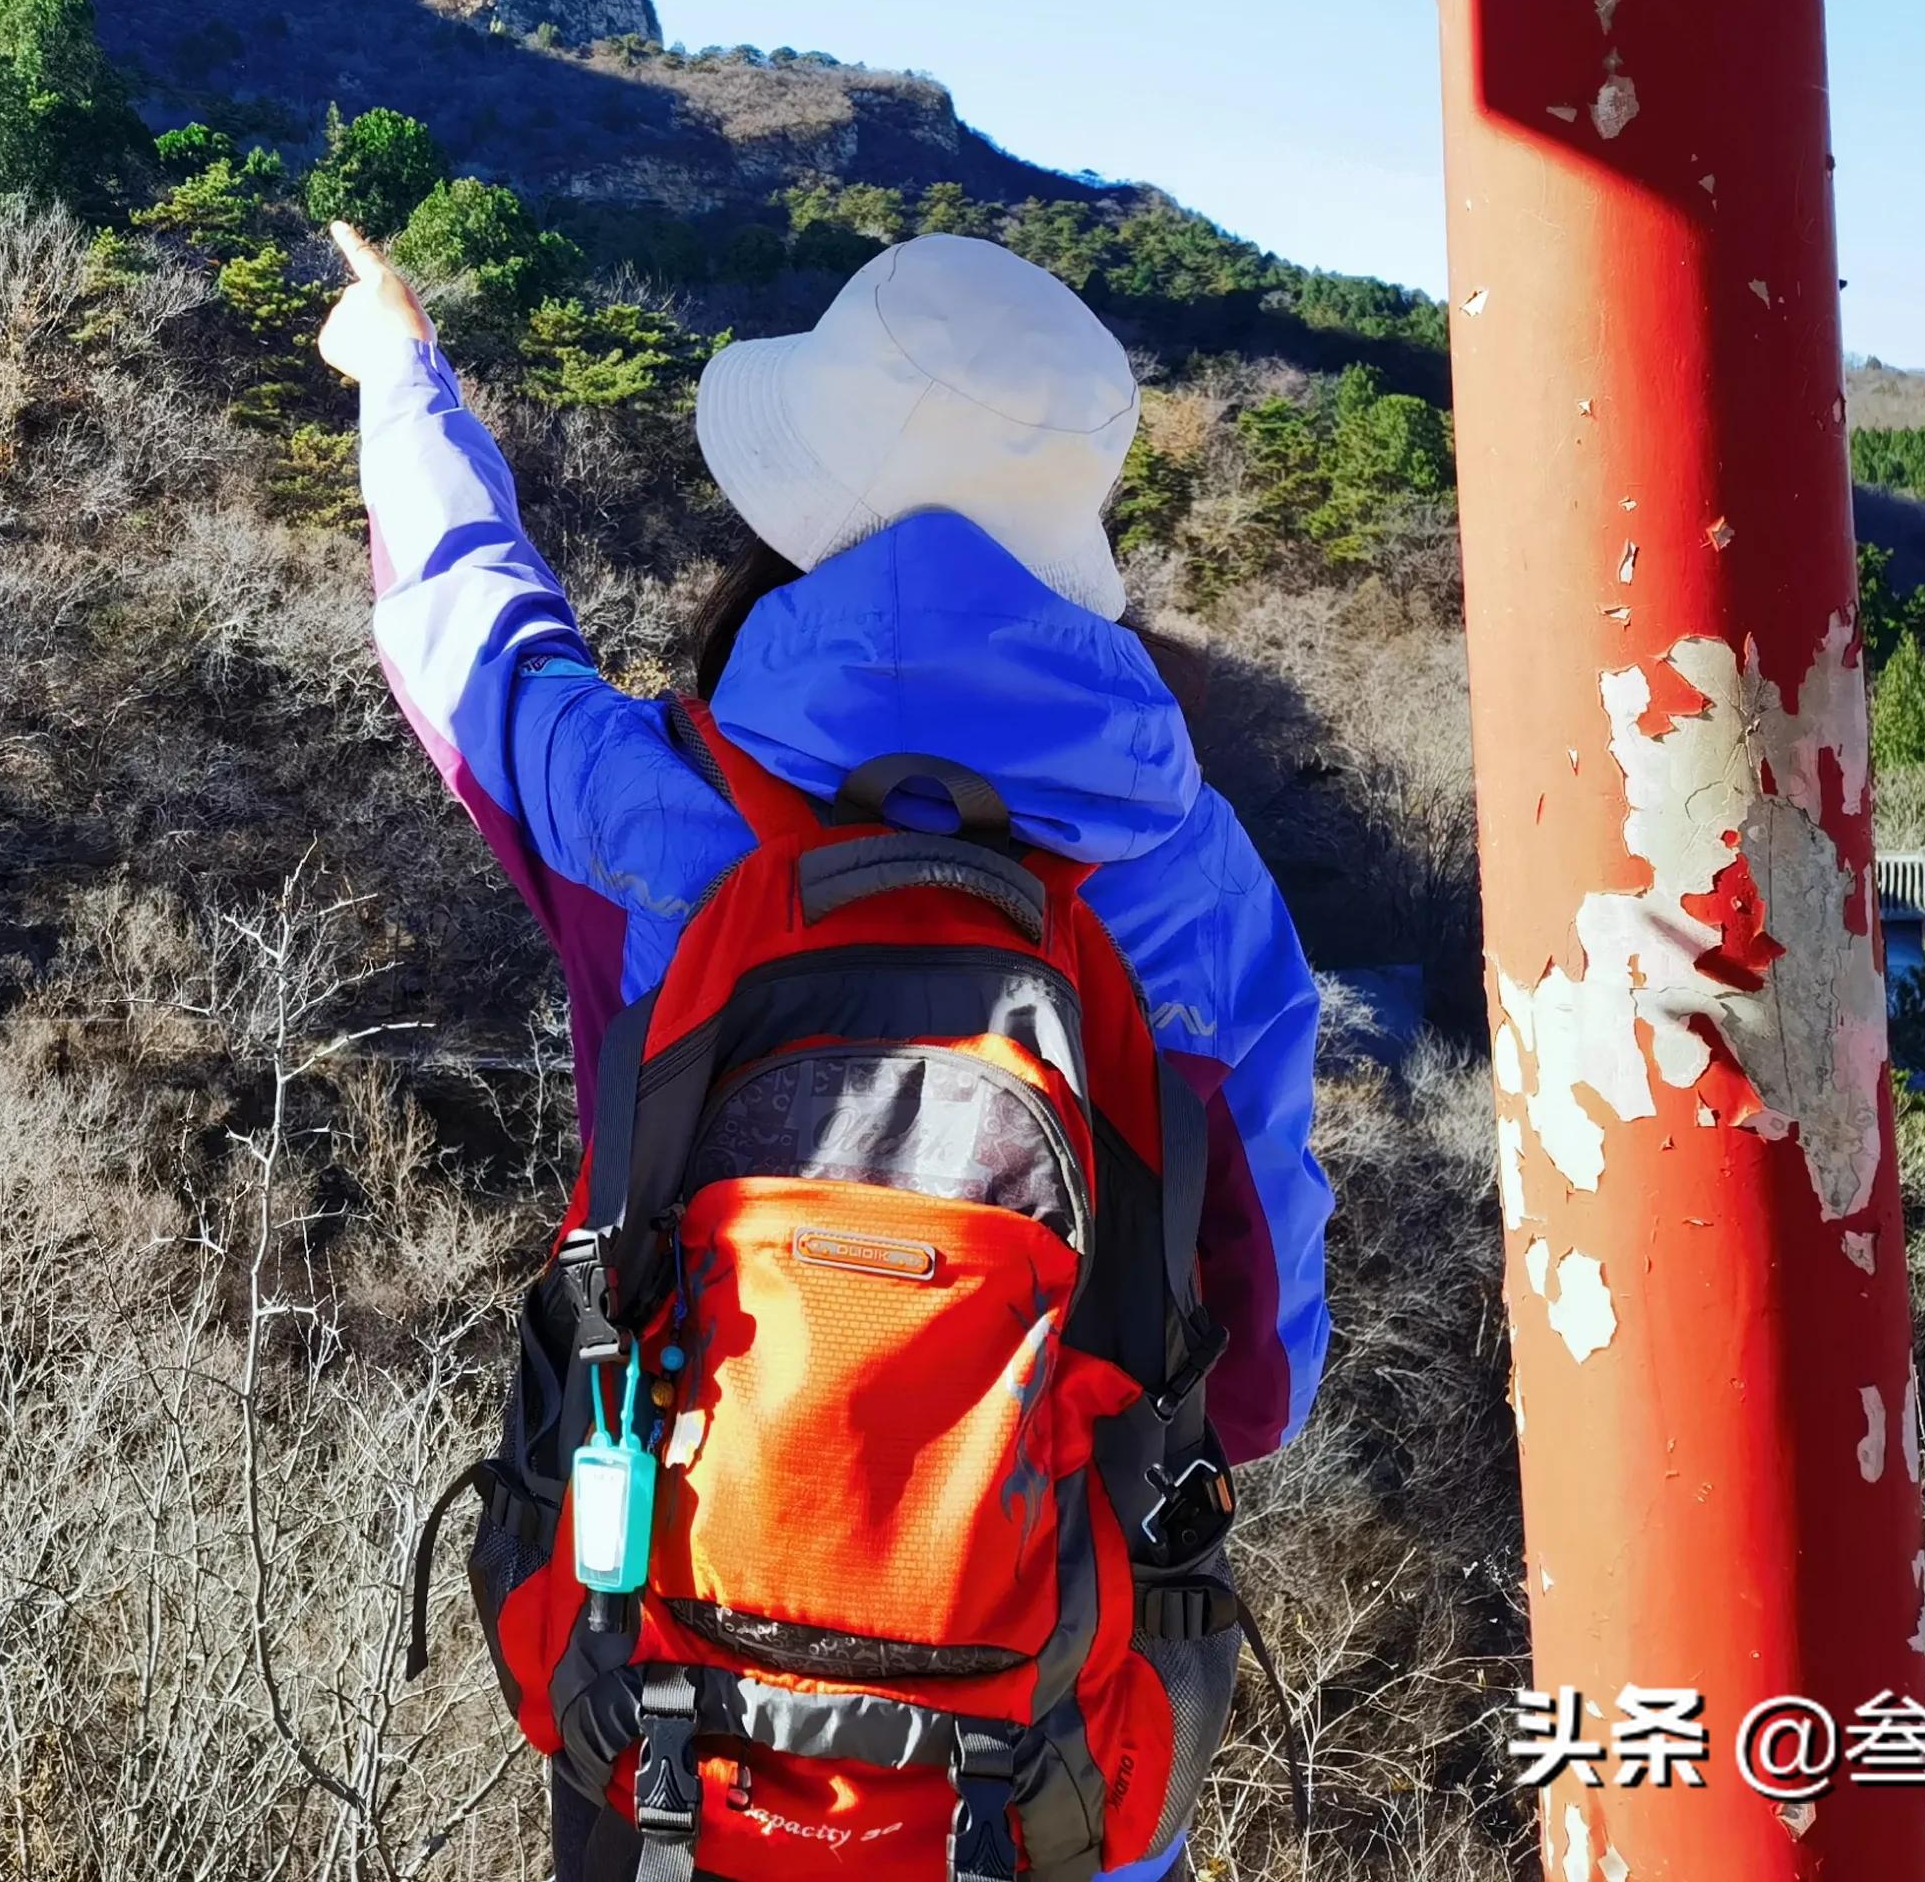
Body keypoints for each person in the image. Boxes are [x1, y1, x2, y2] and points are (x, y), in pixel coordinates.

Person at [321, 220, 1331, 1882]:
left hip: (671, 1734)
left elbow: (477, 645)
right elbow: (1264, 1373)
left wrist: (402, 379)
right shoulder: (1205, 902)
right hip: (1041, 1764)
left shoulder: (662, 818)